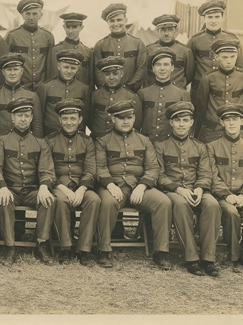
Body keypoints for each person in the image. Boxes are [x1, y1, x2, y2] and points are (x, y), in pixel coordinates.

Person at [93, 100, 173, 270]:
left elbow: (153, 168)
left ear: (134, 118)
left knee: (163, 202)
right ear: (113, 119)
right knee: (107, 202)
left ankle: (161, 251)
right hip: (114, 186)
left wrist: (142, 186)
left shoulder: (144, 140)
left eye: (129, 117)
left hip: (139, 187)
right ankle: (104, 250)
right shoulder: (103, 140)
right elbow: (100, 167)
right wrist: (110, 185)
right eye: (121, 118)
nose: (126, 121)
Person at [154, 101, 221, 277]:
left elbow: (206, 173)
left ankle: (208, 259)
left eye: (185, 120)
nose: (181, 124)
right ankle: (191, 258)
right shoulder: (161, 145)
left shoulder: (200, 147)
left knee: (212, 204)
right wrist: (178, 189)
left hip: (196, 189)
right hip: (173, 191)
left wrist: (199, 188)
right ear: (171, 123)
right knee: (181, 205)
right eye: (177, 121)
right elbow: (159, 175)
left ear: (191, 122)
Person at [0, 97, 56, 265]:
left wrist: (43, 187)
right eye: (19, 115)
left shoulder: (41, 142)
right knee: (4, 201)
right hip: (11, 189)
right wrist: (2, 187)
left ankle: (41, 244)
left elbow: (47, 170)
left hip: (32, 190)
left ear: (32, 118)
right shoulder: (2, 139)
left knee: (48, 200)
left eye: (26, 115)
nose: (23, 119)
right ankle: (10, 247)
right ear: (12, 118)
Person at [207, 103, 243, 273]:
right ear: (222, 122)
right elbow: (211, 176)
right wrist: (225, 194)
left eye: (235, 119)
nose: (231, 123)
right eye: (227, 120)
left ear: (242, 121)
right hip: (222, 196)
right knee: (231, 214)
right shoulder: (212, 147)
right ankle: (233, 255)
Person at [47, 99, 100, 266]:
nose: (69, 122)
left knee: (94, 200)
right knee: (61, 201)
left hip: (81, 185)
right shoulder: (50, 140)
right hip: (59, 186)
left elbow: (90, 169)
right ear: (59, 120)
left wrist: (82, 189)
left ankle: (83, 249)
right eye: (65, 119)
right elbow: (48, 170)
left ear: (80, 120)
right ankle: (65, 247)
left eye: (73, 118)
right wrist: (63, 188)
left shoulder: (87, 141)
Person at [193, 38, 243, 143]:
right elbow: (202, 105)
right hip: (212, 130)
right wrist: (211, 123)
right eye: (225, 57)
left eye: (232, 57)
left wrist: (239, 123)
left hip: (237, 129)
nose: (229, 61)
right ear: (216, 57)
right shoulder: (208, 78)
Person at [187, 0, 243, 96]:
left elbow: (240, 66)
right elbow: (188, 68)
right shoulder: (195, 40)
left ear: (223, 18)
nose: (213, 21)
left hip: (223, 90)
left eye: (217, 17)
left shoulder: (233, 38)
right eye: (210, 17)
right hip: (200, 90)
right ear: (204, 19)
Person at [0, 53, 43, 140]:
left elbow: (37, 126)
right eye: (9, 69)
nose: (12, 73)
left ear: (21, 71)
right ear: (3, 72)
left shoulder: (32, 96)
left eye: (15, 69)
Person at [90, 3, 148, 92]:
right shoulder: (100, 45)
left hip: (130, 93)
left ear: (126, 20)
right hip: (107, 94)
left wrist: (128, 90)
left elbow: (141, 70)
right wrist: (107, 90)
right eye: (112, 21)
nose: (116, 24)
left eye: (119, 20)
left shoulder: (138, 43)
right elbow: (97, 72)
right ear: (107, 22)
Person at [137, 48, 190, 142]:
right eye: (158, 64)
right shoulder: (143, 93)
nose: (162, 68)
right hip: (147, 144)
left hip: (171, 145)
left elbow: (186, 125)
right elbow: (137, 123)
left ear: (172, 67)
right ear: (153, 68)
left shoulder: (182, 94)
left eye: (166, 64)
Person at [36, 49, 90, 137]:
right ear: (58, 66)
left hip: (74, 138)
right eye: (66, 67)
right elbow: (38, 117)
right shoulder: (46, 87)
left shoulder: (83, 88)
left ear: (78, 69)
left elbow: (85, 117)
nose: (69, 71)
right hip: (50, 137)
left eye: (73, 68)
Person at [4, 0, 54, 87]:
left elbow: (51, 66)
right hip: (19, 88)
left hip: (41, 88)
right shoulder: (12, 36)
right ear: (22, 15)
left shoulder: (48, 37)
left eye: (35, 14)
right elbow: (4, 64)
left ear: (41, 15)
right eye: (28, 13)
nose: (31, 17)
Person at [88, 57, 141, 139]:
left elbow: (137, 123)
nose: (111, 77)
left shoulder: (131, 96)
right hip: (98, 140)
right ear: (102, 75)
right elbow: (89, 120)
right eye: (107, 74)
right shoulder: (95, 95)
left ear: (122, 73)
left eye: (115, 73)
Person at [144, 14, 194, 90]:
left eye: (170, 29)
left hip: (177, 93)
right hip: (154, 93)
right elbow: (144, 74)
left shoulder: (185, 51)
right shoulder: (148, 50)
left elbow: (189, 76)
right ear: (158, 30)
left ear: (176, 31)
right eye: (163, 30)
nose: (166, 33)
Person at [46, 12, 92, 90]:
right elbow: (51, 79)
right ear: (64, 27)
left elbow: (90, 82)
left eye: (74, 27)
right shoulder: (55, 50)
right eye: (68, 27)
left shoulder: (88, 52)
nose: (70, 31)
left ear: (81, 27)